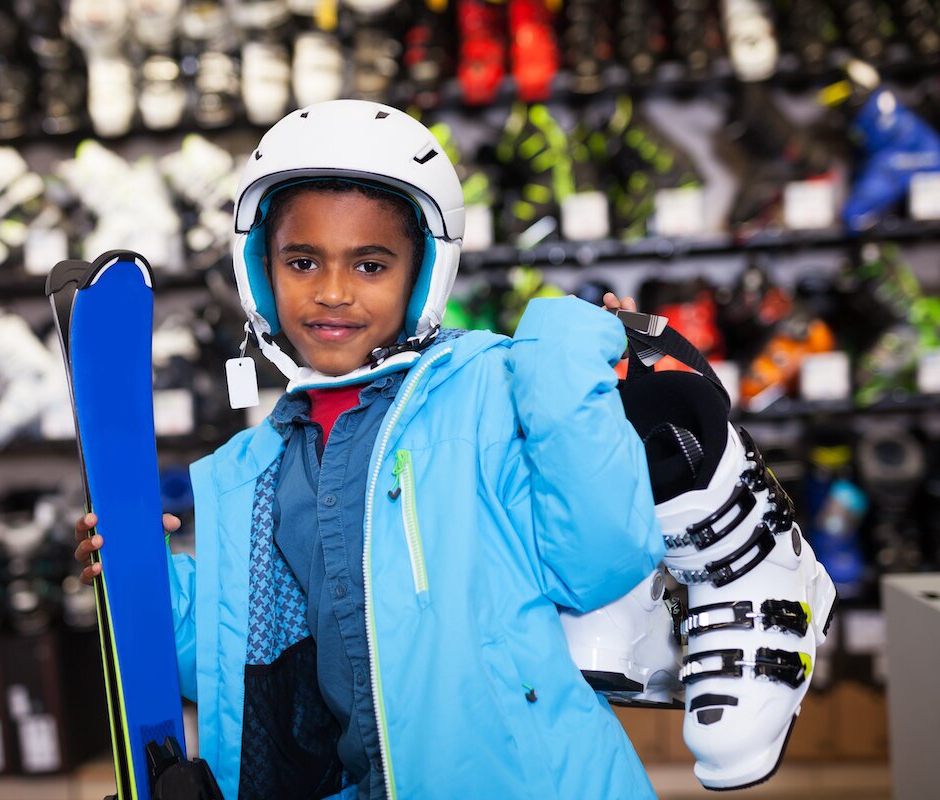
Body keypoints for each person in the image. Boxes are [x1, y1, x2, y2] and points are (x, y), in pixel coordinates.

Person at [74, 99, 664, 800]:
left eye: (370, 266)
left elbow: (602, 562)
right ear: (261, 271)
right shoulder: (257, 470)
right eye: (302, 261)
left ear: (422, 274)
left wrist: (565, 363)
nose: (331, 292)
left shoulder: (488, 393)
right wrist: (144, 587)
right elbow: (246, 670)